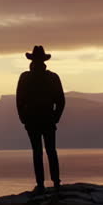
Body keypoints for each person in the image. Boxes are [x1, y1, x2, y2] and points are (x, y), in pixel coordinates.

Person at [16, 44, 65, 194]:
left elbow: (19, 101)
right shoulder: (53, 77)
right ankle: (56, 183)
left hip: (33, 120)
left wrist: (24, 119)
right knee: (51, 151)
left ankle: (41, 185)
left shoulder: (25, 77)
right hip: (47, 119)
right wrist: (55, 118)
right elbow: (61, 101)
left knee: (37, 152)